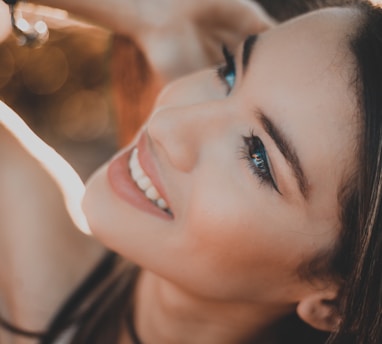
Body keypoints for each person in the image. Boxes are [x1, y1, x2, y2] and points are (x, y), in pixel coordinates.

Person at [0, 1, 381, 344]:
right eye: (229, 73)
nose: (167, 125)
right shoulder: (18, 223)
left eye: (258, 157)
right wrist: (148, 12)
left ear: (335, 301)